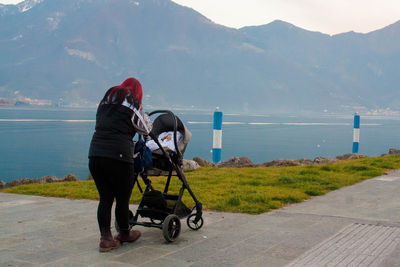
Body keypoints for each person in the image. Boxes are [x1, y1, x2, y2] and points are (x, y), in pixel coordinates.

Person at [88, 77, 152, 252]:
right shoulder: (133, 103)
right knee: (122, 198)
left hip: (95, 154)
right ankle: (124, 233)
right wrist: (142, 109)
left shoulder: (104, 102)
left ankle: (106, 239)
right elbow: (146, 129)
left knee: (105, 198)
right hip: (119, 155)